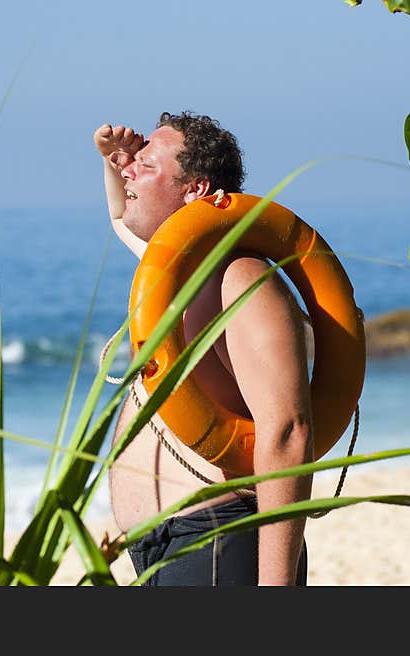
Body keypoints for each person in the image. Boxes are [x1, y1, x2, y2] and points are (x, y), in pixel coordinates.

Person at [95, 111, 312, 586]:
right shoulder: (175, 273)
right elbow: (119, 217)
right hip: (162, 548)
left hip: (219, 534)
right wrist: (115, 162)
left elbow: (288, 432)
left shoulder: (239, 279)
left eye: (146, 166)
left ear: (195, 190)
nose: (130, 172)